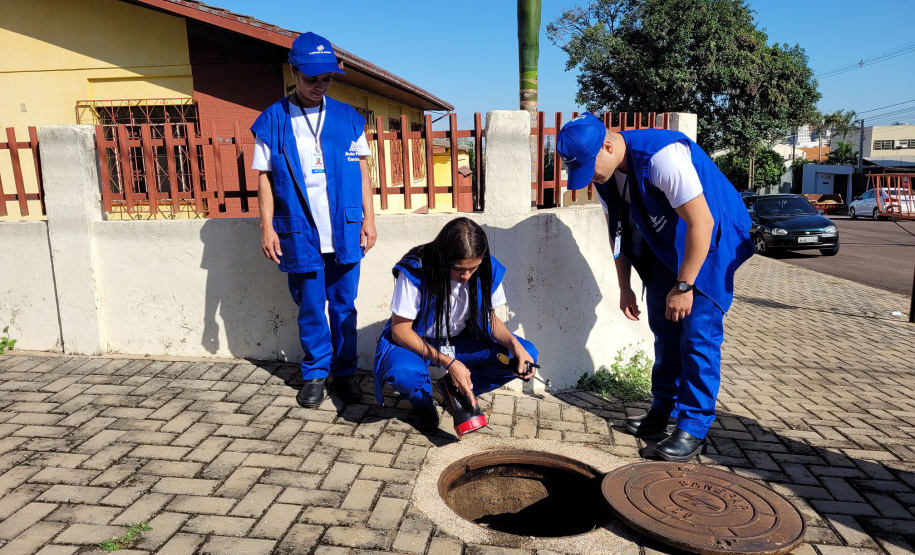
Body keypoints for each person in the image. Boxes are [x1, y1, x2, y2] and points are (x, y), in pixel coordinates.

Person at [556, 113, 754, 461]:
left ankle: (693, 426)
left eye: (590, 168)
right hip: (669, 248)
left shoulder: (661, 156)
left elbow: (702, 222)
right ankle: (662, 408)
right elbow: (615, 231)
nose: (591, 178)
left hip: (709, 241)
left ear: (608, 144)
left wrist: (684, 285)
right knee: (663, 328)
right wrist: (625, 287)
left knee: (697, 337)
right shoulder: (605, 177)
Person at [250, 32, 377, 408]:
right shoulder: (272, 120)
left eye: (326, 79)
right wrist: (266, 226)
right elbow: (264, 179)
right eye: (311, 79)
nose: (319, 86)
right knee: (310, 307)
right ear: (294, 71)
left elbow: (364, 173)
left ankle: (346, 373)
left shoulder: (349, 119)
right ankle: (315, 374)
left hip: (345, 228)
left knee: (344, 307)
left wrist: (370, 220)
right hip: (300, 232)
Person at [373, 217, 538, 432]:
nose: (466, 275)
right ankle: (423, 405)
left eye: (473, 268)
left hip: (461, 343)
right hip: (416, 341)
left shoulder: (488, 270)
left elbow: (490, 321)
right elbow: (400, 331)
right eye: (459, 268)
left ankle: (454, 390)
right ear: (443, 259)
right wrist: (450, 364)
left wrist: (516, 347)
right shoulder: (416, 270)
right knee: (404, 373)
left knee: (527, 355)